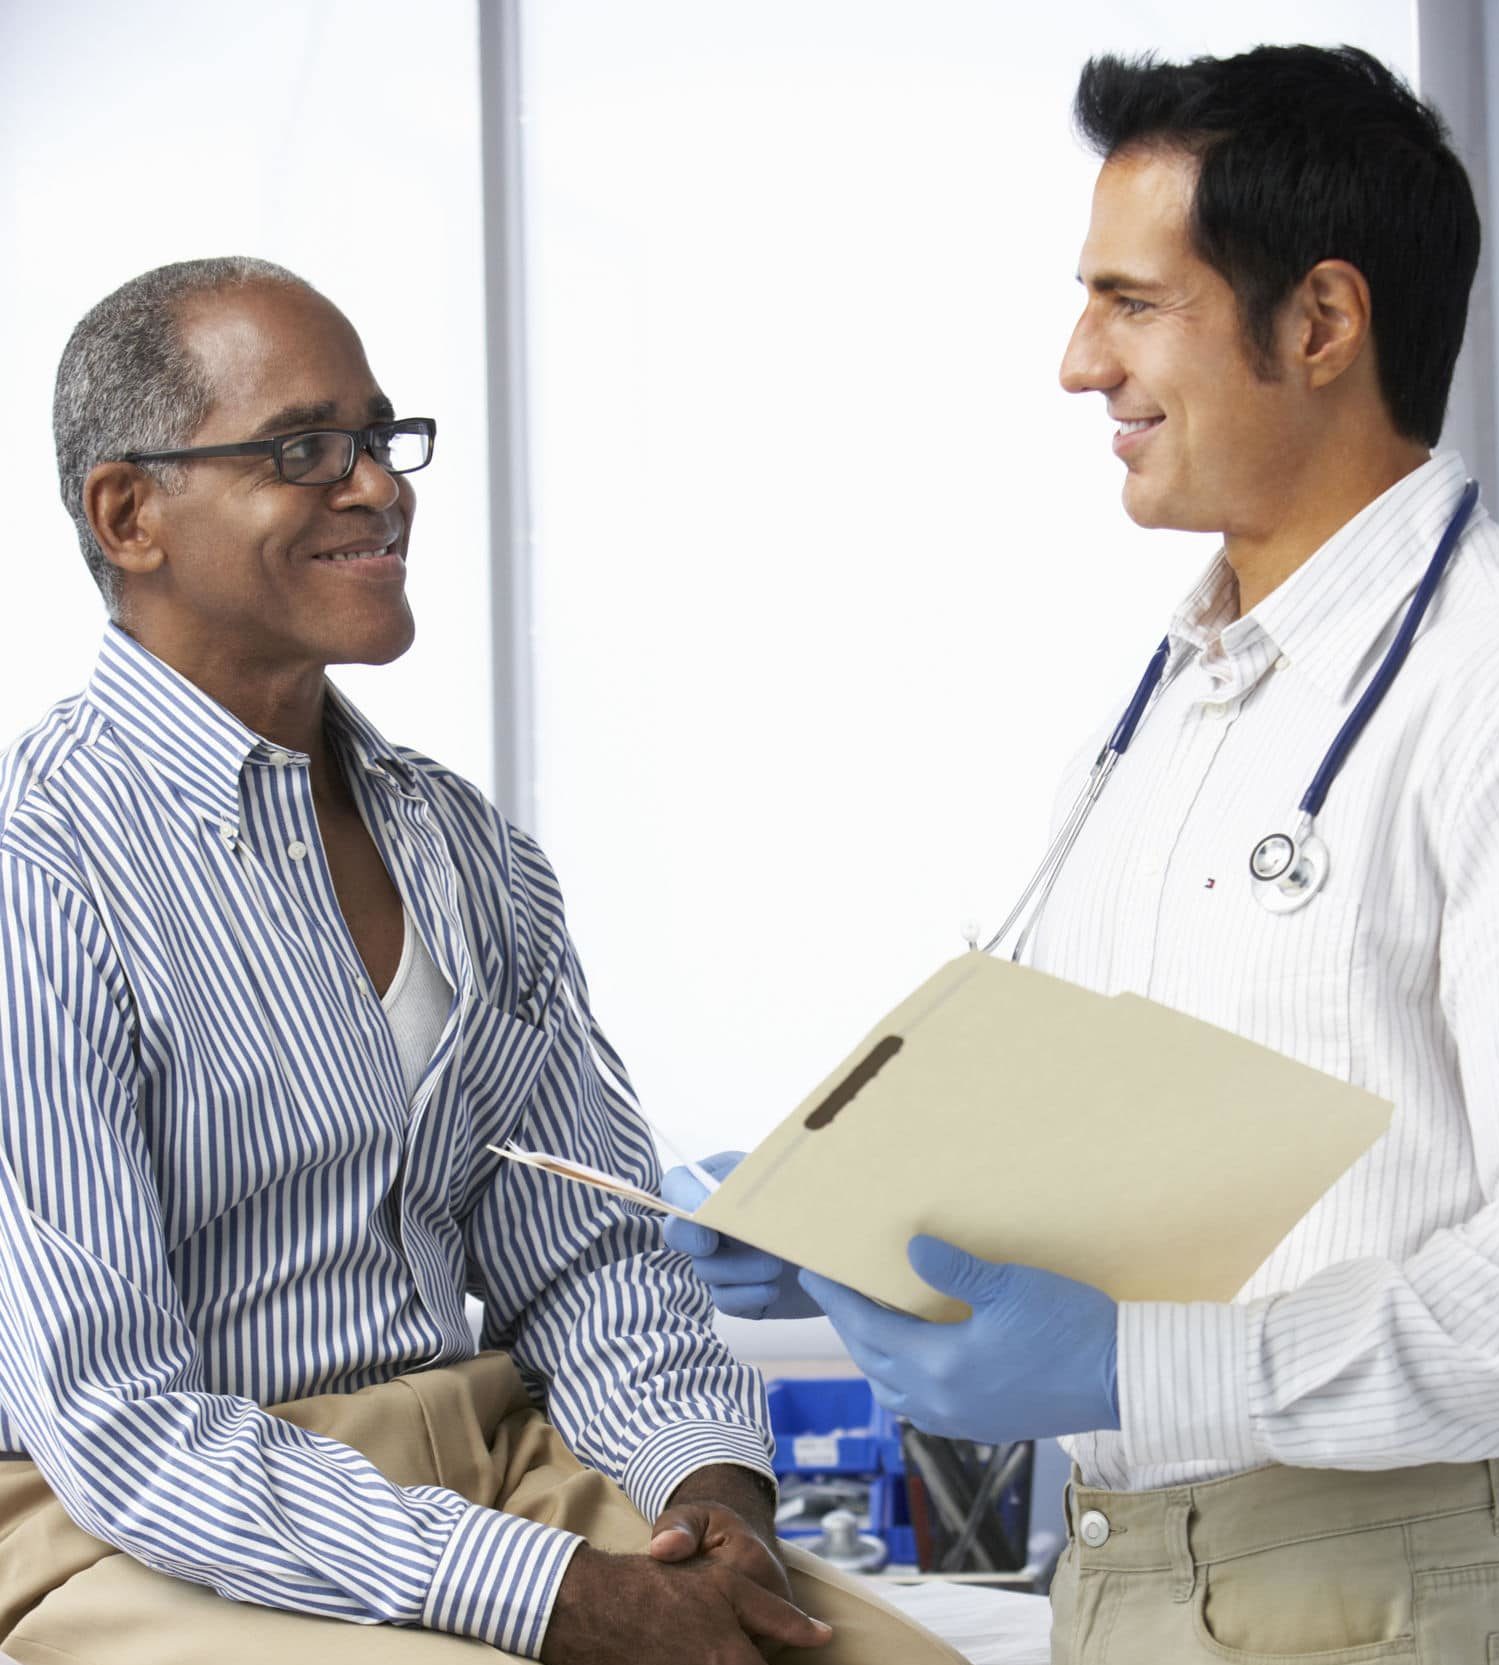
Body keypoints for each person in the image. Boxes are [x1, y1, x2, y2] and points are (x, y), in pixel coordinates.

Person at [663, 44, 1499, 1662]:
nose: (1079, 362)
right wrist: (833, 1213)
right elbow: (1089, 1159)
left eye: (1130, 302)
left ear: (1319, 322)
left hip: (1384, 1584)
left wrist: (1140, 1367)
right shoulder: (1172, 707)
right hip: (1127, 1574)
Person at [0, 257, 964, 1665]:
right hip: (146, 1521)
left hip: (485, 1461)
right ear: (127, 513)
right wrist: (562, 1596)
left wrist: (712, 1503)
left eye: (381, 439)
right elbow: (118, 1424)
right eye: (303, 449)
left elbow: (587, 1264)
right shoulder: (40, 871)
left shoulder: (466, 849)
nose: (379, 487)